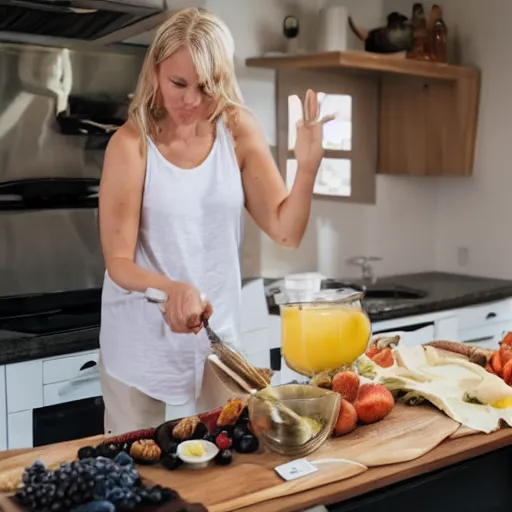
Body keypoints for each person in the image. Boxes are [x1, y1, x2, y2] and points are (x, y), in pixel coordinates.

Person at [98, 7, 333, 435]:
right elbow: (118, 261)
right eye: (178, 83)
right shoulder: (131, 145)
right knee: (134, 470)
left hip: (216, 336)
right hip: (140, 342)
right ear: (155, 72)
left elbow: (286, 231)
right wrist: (172, 289)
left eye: (206, 86)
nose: (191, 100)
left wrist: (308, 167)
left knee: (232, 457)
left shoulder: (237, 130)